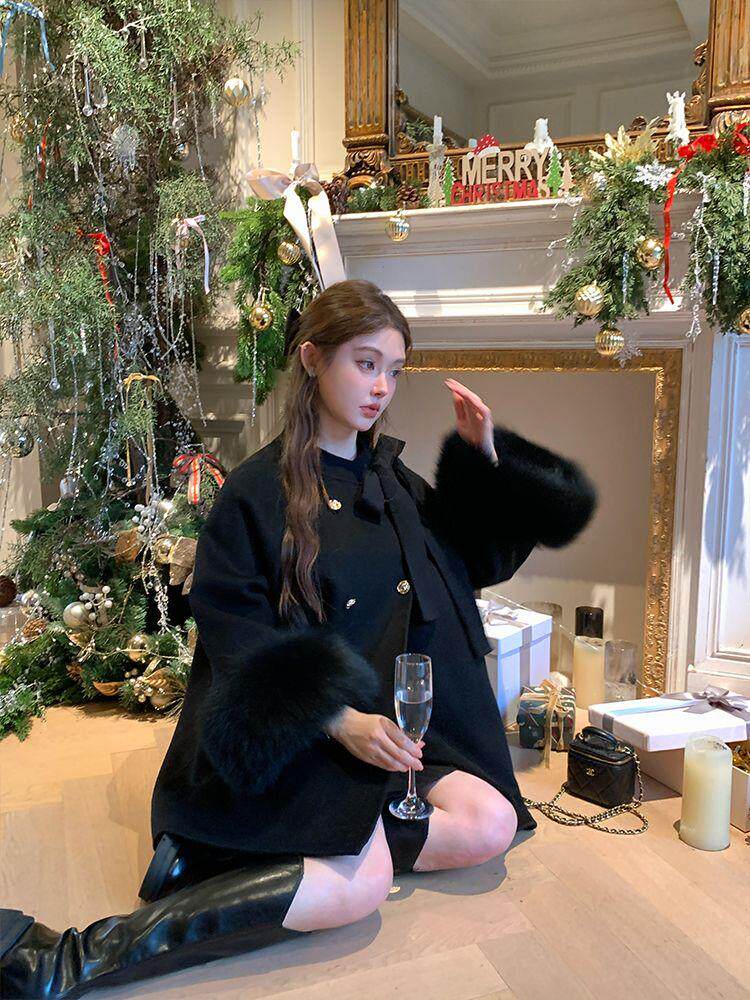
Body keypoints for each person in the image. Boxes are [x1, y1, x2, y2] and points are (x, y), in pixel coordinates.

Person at [0, 279, 598, 998]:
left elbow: (475, 564)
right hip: (296, 732)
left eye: (394, 370)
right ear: (313, 359)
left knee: (489, 822)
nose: (382, 387)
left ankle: (270, 854)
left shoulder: (391, 480)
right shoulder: (256, 493)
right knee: (361, 886)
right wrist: (338, 720)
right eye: (365, 364)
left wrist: (484, 462)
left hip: (386, 732)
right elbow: (234, 637)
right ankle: (67, 960)